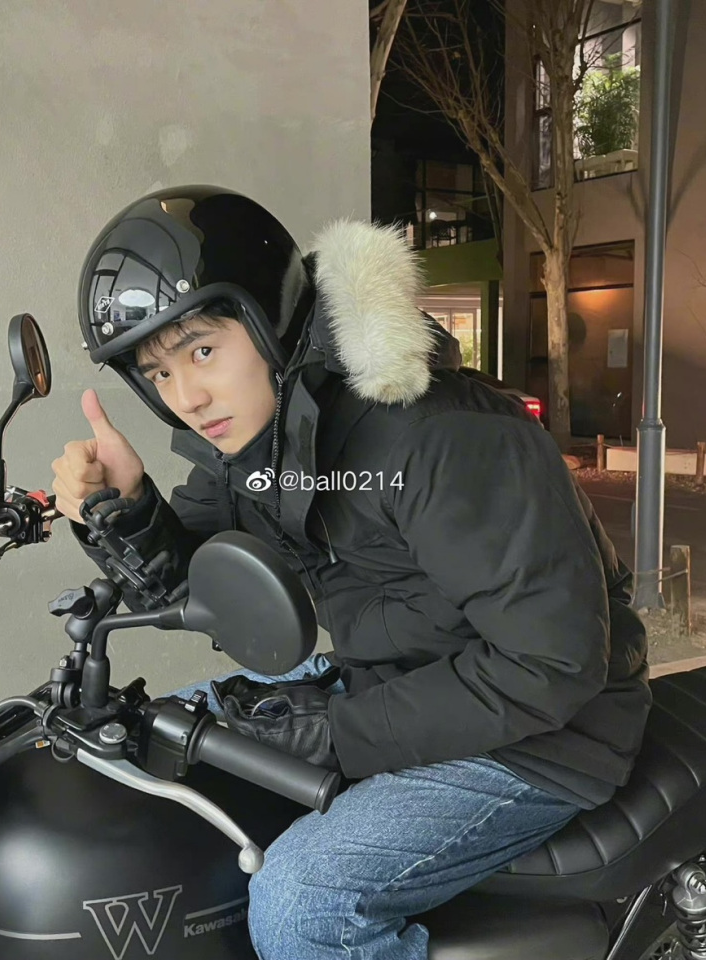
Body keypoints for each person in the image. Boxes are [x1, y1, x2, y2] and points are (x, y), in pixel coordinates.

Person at [51, 185, 650, 960]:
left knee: (303, 904)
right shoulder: (257, 444)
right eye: (158, 375)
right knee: (145, 741)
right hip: (398, 680)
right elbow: (201, 593)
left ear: (269, 321)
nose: (188, 397)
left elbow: (551, 665)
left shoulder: (442, 439)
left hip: (545, 739)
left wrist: (335, 734)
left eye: (201, 351)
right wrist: (127, 506)